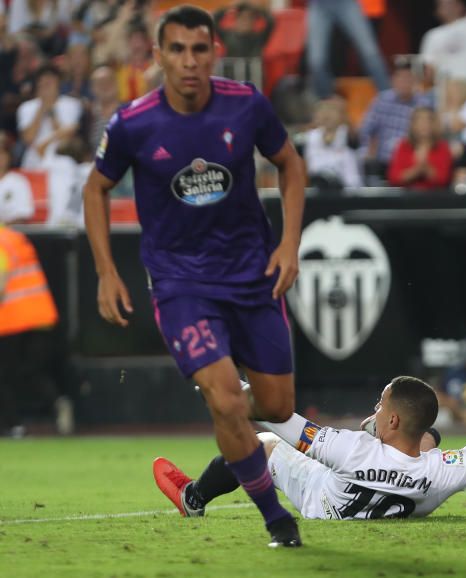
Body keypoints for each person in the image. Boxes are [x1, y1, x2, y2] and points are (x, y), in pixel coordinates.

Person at [81, 6, 308, 548]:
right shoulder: (133, 122)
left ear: (214, 53)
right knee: (229, 402)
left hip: (254, 277)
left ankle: (220, 421)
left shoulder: (245, 105)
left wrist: (289, 244)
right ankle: (277, 521)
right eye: (176, 50)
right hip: (182, 284)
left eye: (198, 49)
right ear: (156, 56)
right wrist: (106, 271)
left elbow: (291, 165)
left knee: (275, 407)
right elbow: (95, 190)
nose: (188, 61)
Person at [151, 309, 466, 521]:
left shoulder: (349, 447)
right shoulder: (446, 472)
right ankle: (418, 439)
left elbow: (276, 418)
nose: (375, 409)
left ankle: (193, 498)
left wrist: (223, 385)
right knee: (430, 444)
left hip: (319, 501)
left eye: (381, 405)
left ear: (392, 421)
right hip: (406, 485)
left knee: (259, 444)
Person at [0, 223, 60, 438]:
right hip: (39, 314)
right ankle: (58, 409)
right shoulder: (13, 237)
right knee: (31, 372)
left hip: (12, 320)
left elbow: (1, 280)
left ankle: (12, 425)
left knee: (5, 376)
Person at [359, 61, 432, 180]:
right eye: (401, 78)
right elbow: (366, 130)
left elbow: (428, 134)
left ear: (415, 82)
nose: (404, 83)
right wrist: (367, 152)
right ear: (393, 80)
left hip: (410, 161)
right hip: (381, 160)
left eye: (408, 79)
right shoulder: (382, 100)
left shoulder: (423, 104)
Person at [307, 0, 390, 99]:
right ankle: (325, 104)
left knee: (370, 53)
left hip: (346, 3)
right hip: (318, 5)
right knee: (316, 60)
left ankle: (389, 97)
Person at [17, 64, 83, 170]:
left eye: (49, 82)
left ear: (58, 82)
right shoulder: (26, 107)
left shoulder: (72, 104)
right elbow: (28, 138)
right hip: (33, 161)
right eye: (43, 83)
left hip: (62, 160)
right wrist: (42, 106)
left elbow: (67, 138)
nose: (46, 86)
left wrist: (51, 110)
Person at [419, 0, 466, 84]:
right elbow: (429, 68)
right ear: (438, 10)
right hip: (444, 86)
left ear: (460, 6)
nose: (448, 7)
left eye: (451, 3)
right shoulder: (432, 35)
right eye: (443, 4)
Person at [303, 96, 363, 189]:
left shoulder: (347, 134)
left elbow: (355, 140)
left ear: (341, 115)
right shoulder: (311, 136)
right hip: (317, 186)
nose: (328, 115)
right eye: (324, 111)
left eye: (332, 111)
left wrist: (343, 113)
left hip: (348, 188)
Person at [386, 106, 453, 190]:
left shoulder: (442, 147)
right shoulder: (403, 146)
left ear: (434, 124)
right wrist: (417, 170)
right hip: (406, 198)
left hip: (435, 198)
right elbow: (394, 178)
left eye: (428, 120)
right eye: (419, 120)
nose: (424, 124)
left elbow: (444, 179)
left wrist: (426, 169)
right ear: (413, 124)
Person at [0, 144, 34, 224]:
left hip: (10, 232)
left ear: (9, 157)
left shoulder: (18, 181)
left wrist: (4, 227)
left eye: (2, 154)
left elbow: (23, 216)